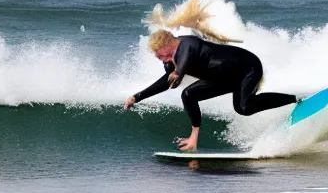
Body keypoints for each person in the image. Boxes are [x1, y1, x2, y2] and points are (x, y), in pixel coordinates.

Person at [124, 30, 297, 151]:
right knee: (189, 94)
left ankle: (293, 100)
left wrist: (178, 72)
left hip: (248, 68)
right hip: (224, 78)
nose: (160, 58)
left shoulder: (188, 44)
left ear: (168, 44)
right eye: (158, 57)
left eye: (161, 54)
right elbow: (165, 82)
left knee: (244, 107)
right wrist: (137, 97)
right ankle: (194, 137)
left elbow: (185, 58)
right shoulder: (170, 60)